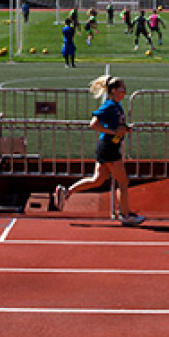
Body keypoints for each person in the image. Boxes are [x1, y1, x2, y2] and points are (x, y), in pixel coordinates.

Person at [52, 75, 145, 226]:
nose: (124, 91)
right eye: (122, 88)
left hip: (108, 146)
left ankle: (66, 192)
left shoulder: (116, 105)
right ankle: (125, 215)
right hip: (108, 147)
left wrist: (123, 129)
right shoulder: (109, 106)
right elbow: (94, 123)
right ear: (113, 90)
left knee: (98, 180)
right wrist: (113, 132)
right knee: (123, 182)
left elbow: (115, 124)